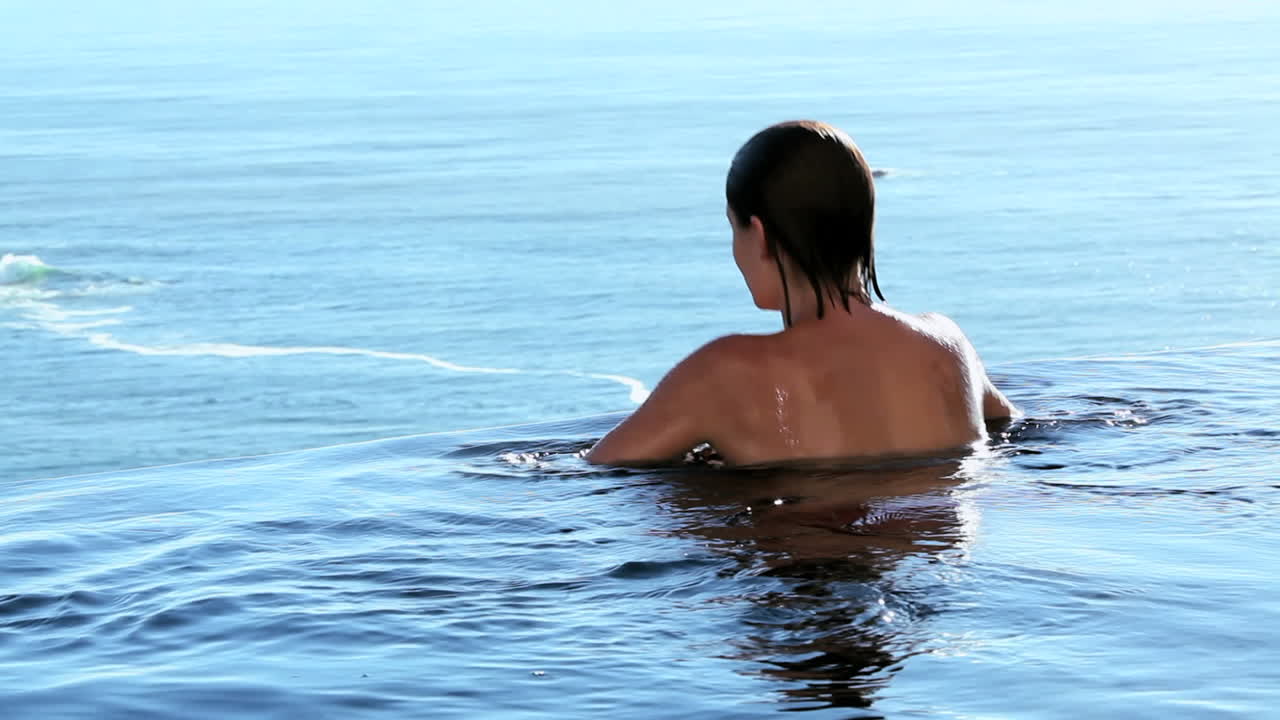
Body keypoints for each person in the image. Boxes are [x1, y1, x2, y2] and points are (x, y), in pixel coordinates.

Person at [586, 120, 1017, 467]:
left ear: (760, 235)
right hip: (931, 566)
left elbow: (597, 469)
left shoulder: (724, 371)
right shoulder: (946, 343)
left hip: (797, 567)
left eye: (732, 227)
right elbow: (1004, 422)